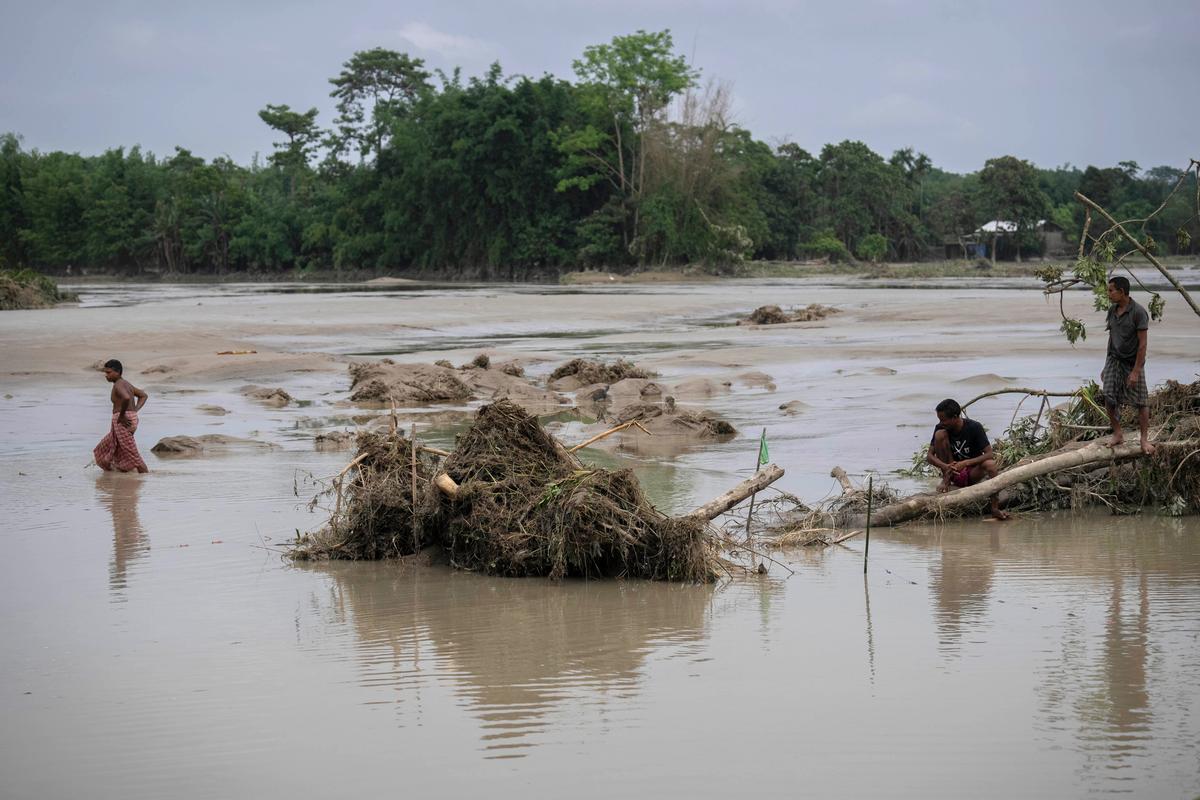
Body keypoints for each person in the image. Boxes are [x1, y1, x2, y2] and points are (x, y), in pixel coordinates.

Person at [926, 398, 1009, 520]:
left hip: (972, 472)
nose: (941, 423)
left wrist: (965, 463)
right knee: (939, 434)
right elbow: (929, 456)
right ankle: (946, 480)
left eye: (944, 420)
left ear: (955, 417)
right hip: (952, 471)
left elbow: (989, 454)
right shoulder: (940, 428)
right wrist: (946, 467)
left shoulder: (974, 427)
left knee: (991, 464)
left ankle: (995, 508)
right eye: (939, 420)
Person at [1101, 276, 1155, 454]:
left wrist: (1136, 371)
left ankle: (1144, 440)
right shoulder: (1112, 311)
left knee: (1141, 402)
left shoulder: (1138, 312)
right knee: (1108, 395)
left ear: (1122, 292)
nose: (1108, 294)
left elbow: (1143, 344)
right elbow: (1112, 337)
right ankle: (1118, 433)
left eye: (1111, 290)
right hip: (1114, 360)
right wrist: (1106, 364)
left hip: (1133, 362)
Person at [93, 359, 149, 473]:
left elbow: (126, 398)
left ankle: (145, 475)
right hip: (128, 418)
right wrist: (134, 411)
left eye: (108, 373)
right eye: (105, 373)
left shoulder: (119, 384)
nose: (106, 376)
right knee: (105, 447)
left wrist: (123, 415)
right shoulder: (126, 384)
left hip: (123, 420)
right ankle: (117, 474)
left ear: (117, 372)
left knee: (132, 453)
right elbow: (143, 395)